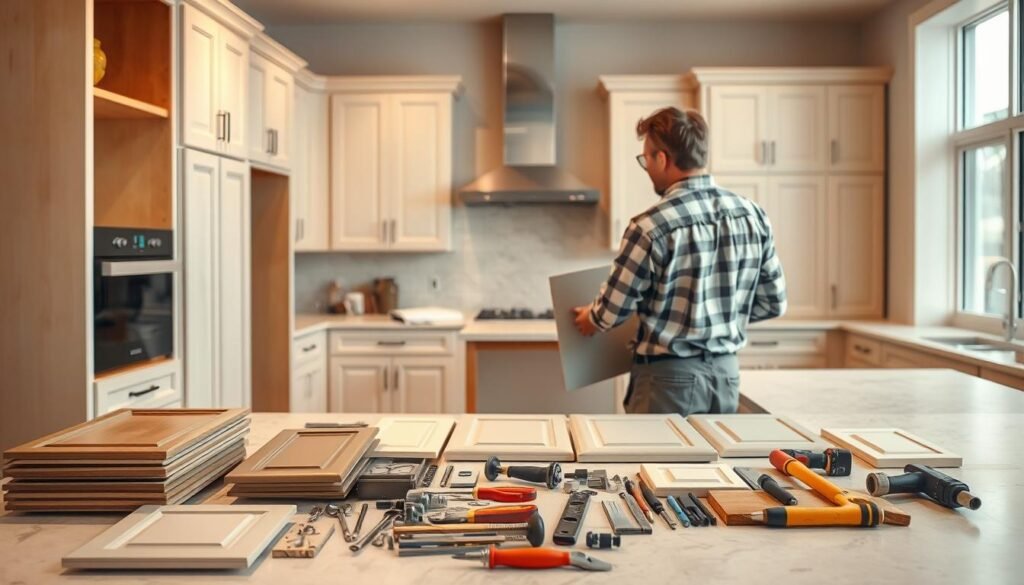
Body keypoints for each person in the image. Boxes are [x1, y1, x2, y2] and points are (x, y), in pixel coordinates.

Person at [573, 107, 787, 415]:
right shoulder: (753, 215)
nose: (646, 166)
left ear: (662, 159)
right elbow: (774, 303)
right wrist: (717, 316)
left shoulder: (650, 226)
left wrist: (588, 319)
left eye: (645, 158)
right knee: (713, 465)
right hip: (726, 377)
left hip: (667, 382)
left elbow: (610, 313)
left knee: (658, 464)